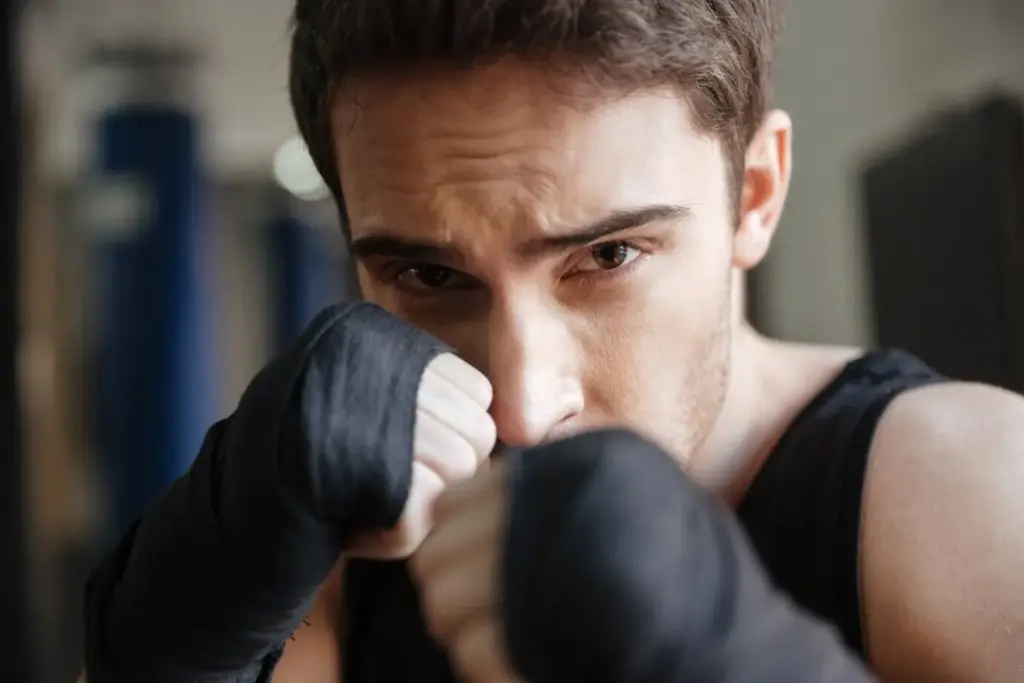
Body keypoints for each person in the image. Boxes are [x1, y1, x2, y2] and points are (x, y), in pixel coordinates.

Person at [82, 1, 1024, 682]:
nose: (524, 410)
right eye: (430, 276)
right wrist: (187, 616)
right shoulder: (352, 538)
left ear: (755, 194)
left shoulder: (961, 490)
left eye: (608, 255)